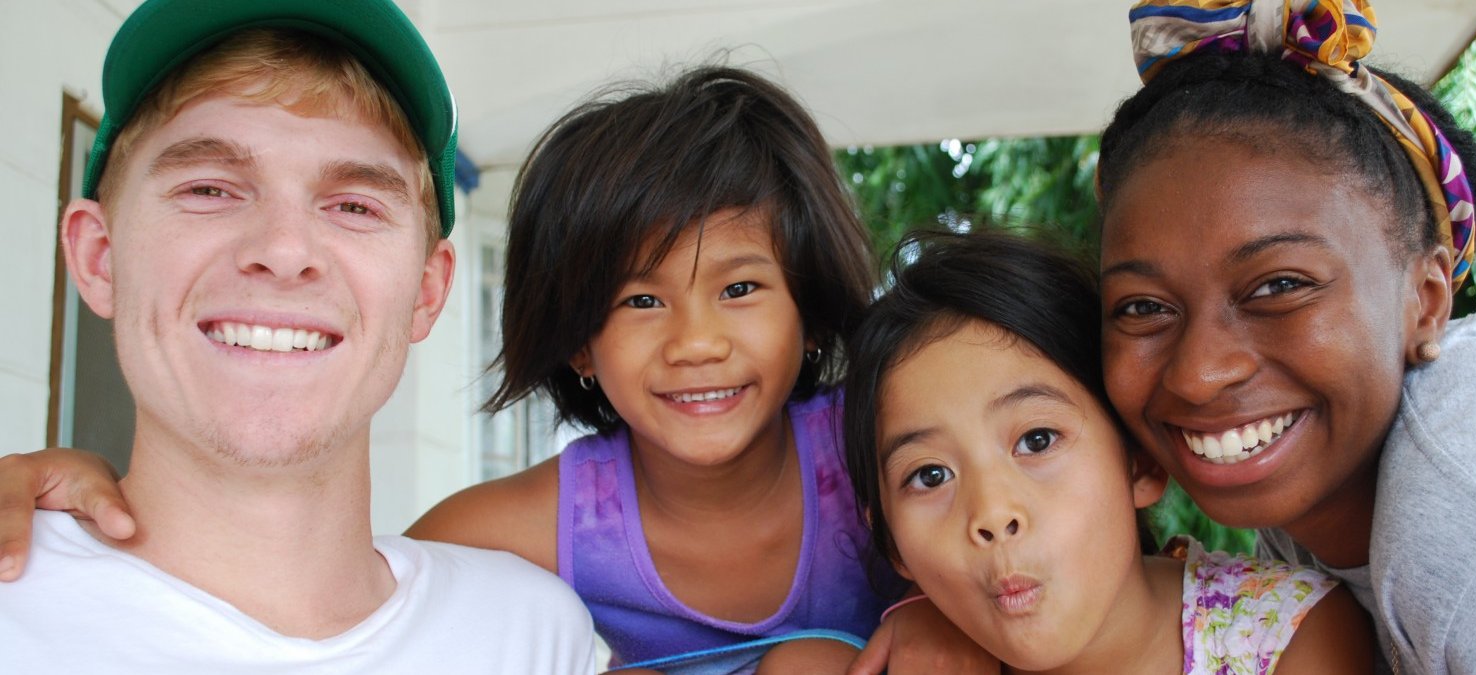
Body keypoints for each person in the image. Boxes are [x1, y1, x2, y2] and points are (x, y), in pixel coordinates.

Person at [0, 64, 993, 674]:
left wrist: (947, 617)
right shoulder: (506, 550)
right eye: (639, 300)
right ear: (576, 339)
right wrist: (67, 486)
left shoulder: (880, 445)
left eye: (739, 288)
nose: (695, 341)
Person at [0, 0, 594, 672]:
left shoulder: (534, 637)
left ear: (427, 291)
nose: (284, 249)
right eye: (209, 189)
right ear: (99, 257)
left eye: (353, 205)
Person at [1094, 1, 1476, 672]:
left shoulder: (1473, 532)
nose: (1199, 373)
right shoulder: (1320, 489)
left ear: (1426, 300)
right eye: (1143, 307)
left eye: (1279, 286)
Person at [840, 230, 1373, 674]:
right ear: (892, 541)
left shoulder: (1284, 634)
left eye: (1037, 440)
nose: (992, 515)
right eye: (930, 475)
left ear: (1138, 460)